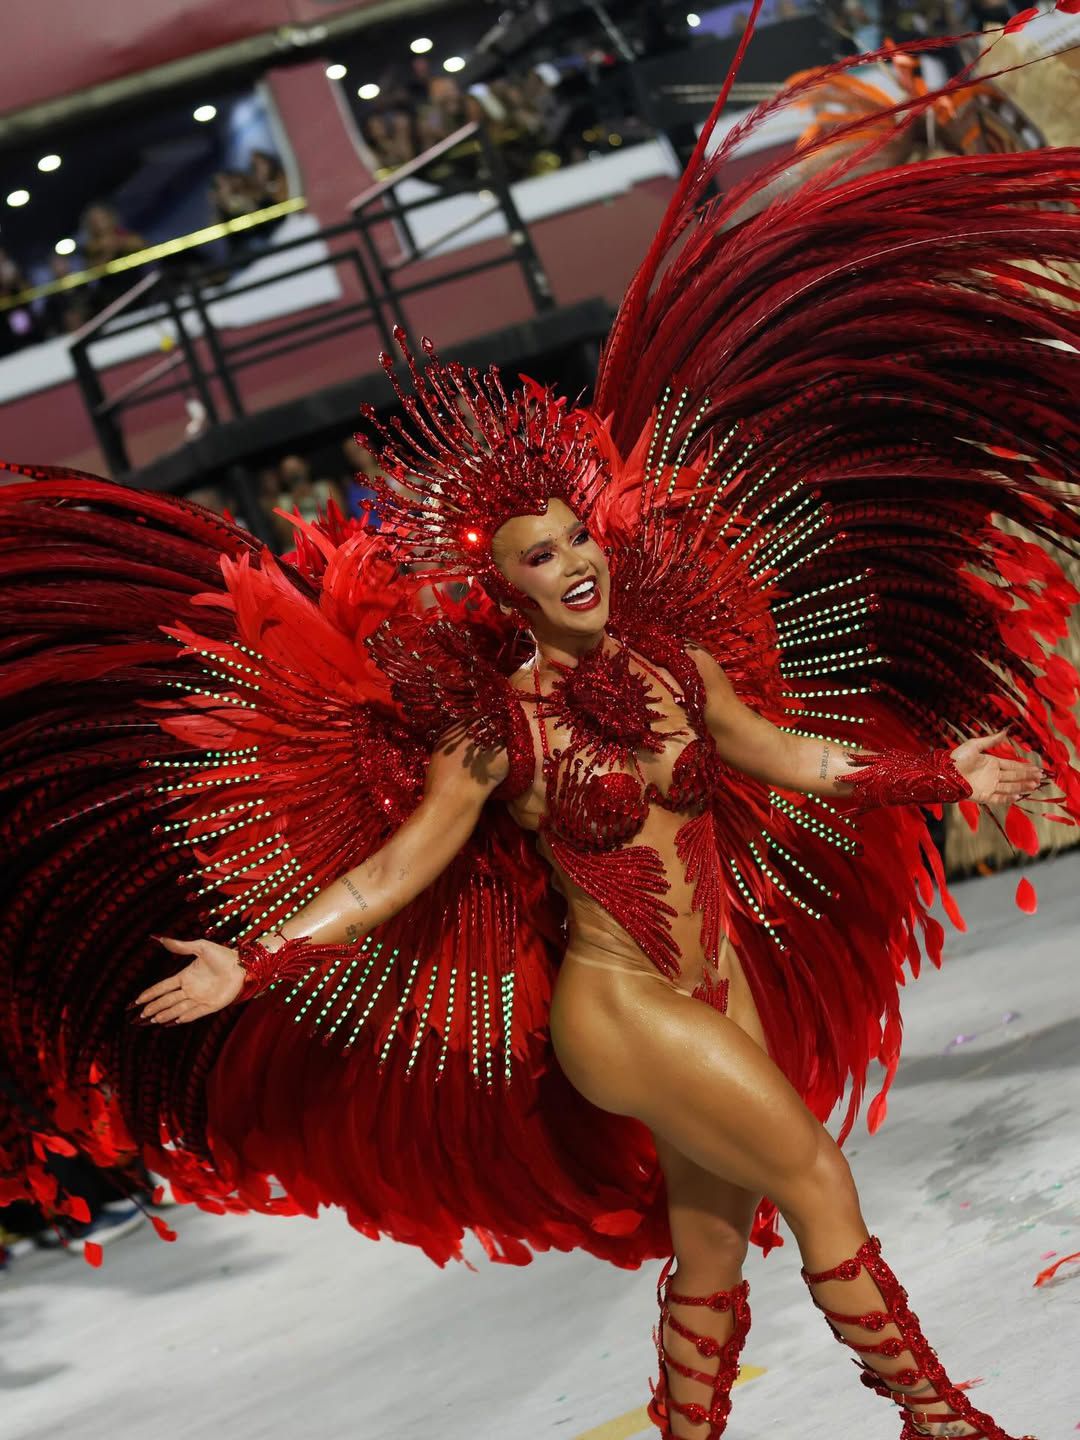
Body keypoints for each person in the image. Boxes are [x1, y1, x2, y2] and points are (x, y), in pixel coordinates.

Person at [0, 8, 1077, 1438]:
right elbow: (400, 876)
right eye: (537, 557)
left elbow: (790, 757)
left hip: (721, 978)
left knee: (713, 1241)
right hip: (620, 1007)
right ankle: (942, 1419)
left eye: (576, 536)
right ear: (498, 587)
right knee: (814, 1177)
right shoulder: (491, 735)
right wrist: (252, 964)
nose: (573, 562)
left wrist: (946, 762)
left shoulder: (678, 664)